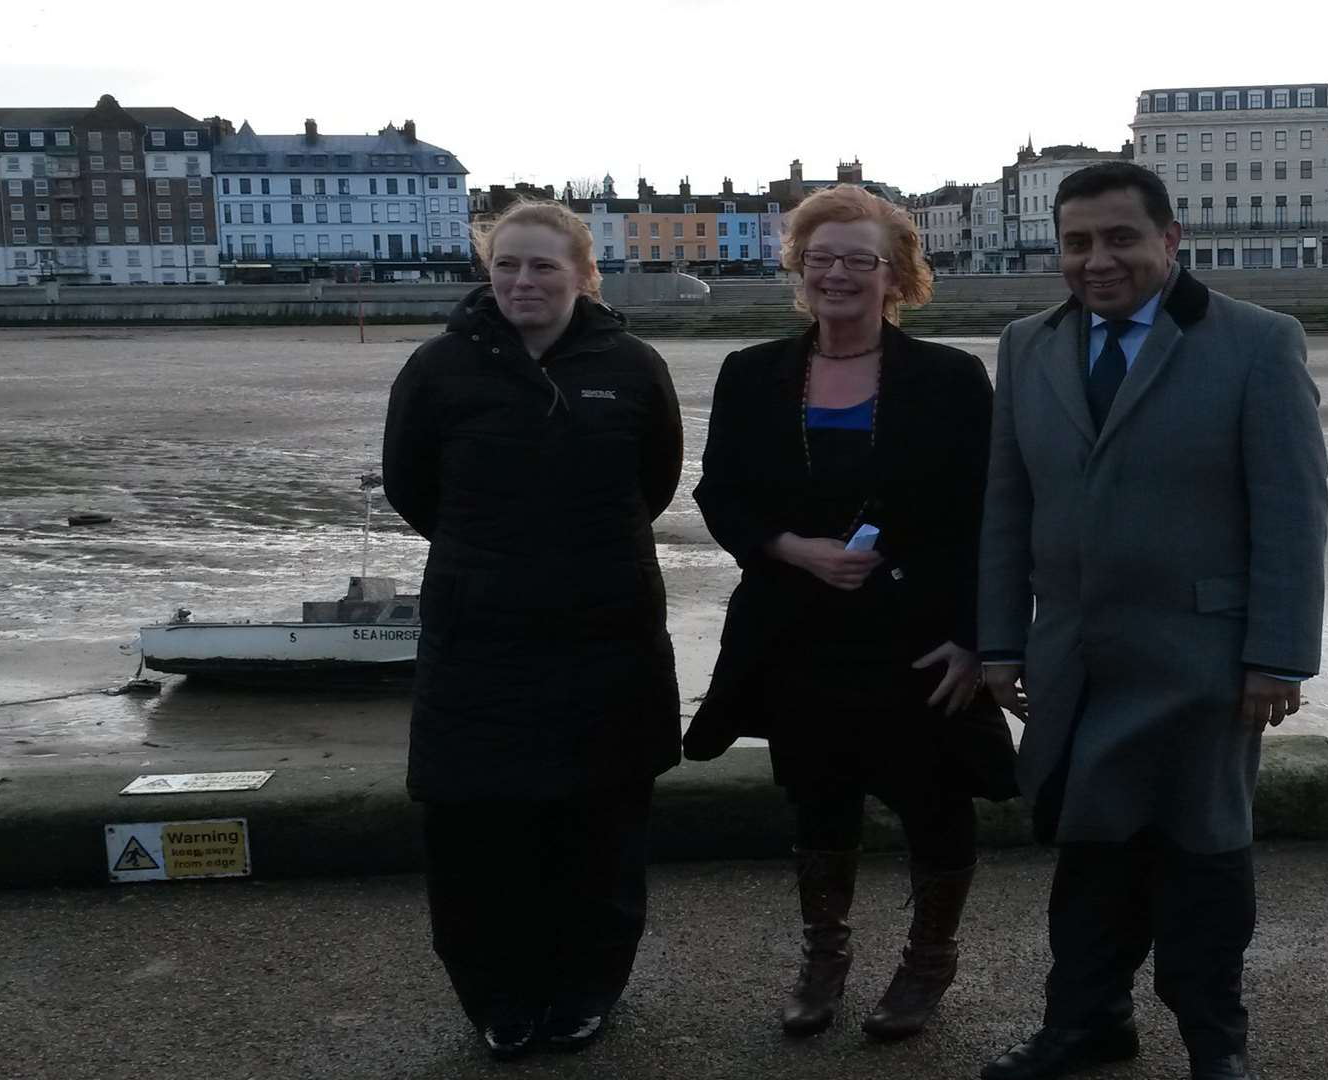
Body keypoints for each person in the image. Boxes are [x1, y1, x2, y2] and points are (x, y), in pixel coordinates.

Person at [975, 163, 1328, 1080]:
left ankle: (1217, 1045)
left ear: (1172, 241)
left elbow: (1291, 513)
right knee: (1090, 858)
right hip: (1077, 662)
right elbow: (1006, 508)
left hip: (1201, 663)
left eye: (1120, 238)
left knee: (1204, 861)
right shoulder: (1028, 346)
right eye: (1077, 242)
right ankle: (1088, 1024)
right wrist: (1001, 640)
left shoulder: (1255, 342)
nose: (1097, 261)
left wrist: (1278, 657)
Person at [683, 184, 1017, 1042]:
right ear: (799, 268)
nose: (838, 274)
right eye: (820, 257)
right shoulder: (752, 373)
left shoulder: (948, 378)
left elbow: (991, 513)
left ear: (895, 274)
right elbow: (720, 494)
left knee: (935, 804)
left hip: (919, 636)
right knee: (817, 802)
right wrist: (794, 549)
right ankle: (823, 957)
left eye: (859, 259)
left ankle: (926, 963)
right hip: (798, 634)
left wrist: (979, 642)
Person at [381, 199, 683, 1063]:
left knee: (603, 825)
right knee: (478, 831)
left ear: (583, 276)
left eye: (543, 266)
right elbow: (415, 491)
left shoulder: (632, 367)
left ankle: (588, 990)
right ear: (488, 270)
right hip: (480, 642)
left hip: (609, 634)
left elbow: (653, 482)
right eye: (508, 264)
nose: (523, 281)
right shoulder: (437, 370)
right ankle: (499, 998)